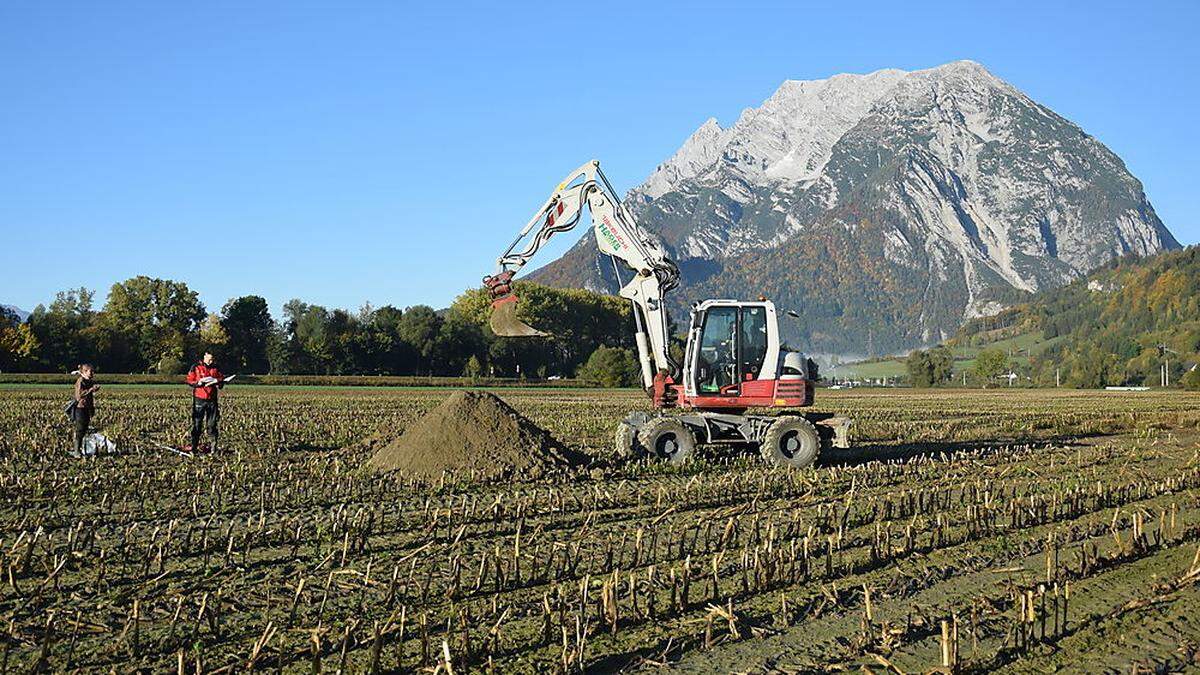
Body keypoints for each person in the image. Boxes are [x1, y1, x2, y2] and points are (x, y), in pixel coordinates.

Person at [186, 351, 225, 451]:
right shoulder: (195, 367)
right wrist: (198, 383)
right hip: (199, 399)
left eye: (212, 359)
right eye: (209, 359)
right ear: (205, 356)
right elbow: (190, 380)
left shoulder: (217, 367)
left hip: (212, 400)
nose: (211, 361)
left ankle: (213, 448)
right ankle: (194, 447)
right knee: (197, 425)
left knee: (212, 425)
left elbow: (221, 382)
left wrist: (218, 381)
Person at [73, 364, 100, 454]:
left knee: (84, 429)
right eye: (90, 371)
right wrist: (91, 390)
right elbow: (79, 396)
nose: (92, 373)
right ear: (84, 372)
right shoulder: (80, 381)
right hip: (80, 408)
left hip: (87, 408)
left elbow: (89, 397)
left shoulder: (89, 381)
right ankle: (76, 451)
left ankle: (80, 449)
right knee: (80, 429)